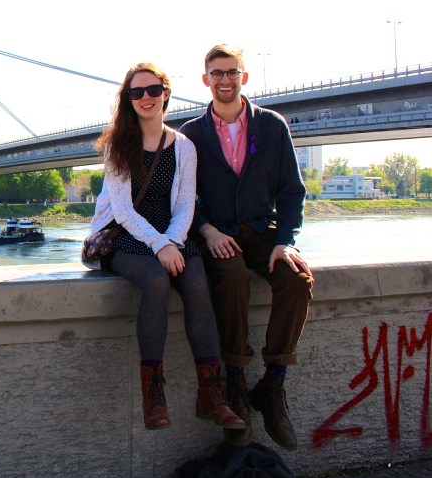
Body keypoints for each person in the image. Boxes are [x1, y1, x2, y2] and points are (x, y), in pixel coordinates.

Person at [83, 62, 244, 432]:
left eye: (153, 90)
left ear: (166, 94)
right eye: (137, 92)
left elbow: (186, 206)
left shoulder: (184, 147)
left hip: (172, 232)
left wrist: (172, 241)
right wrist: (160, 246)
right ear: (128, 99)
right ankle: (153, 395)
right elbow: (123, 211)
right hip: (125, 234)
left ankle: (211, 394)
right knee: (156, 280)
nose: (146, 98)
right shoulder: (118, 146)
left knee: (197, 283)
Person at [180, 44, 314, 451]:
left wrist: (285, 241)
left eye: (232, 72)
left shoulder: (272, 126)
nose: (225, 80)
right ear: (205, 79)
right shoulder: (190, 135)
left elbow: (292, 191)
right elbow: (183, 199)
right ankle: (235, 381)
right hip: (218, 234)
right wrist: (206, 231)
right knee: (232, 277)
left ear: (244, 77)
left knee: (297, 280)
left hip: (262, 230)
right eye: (217, 73)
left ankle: (273, 384)